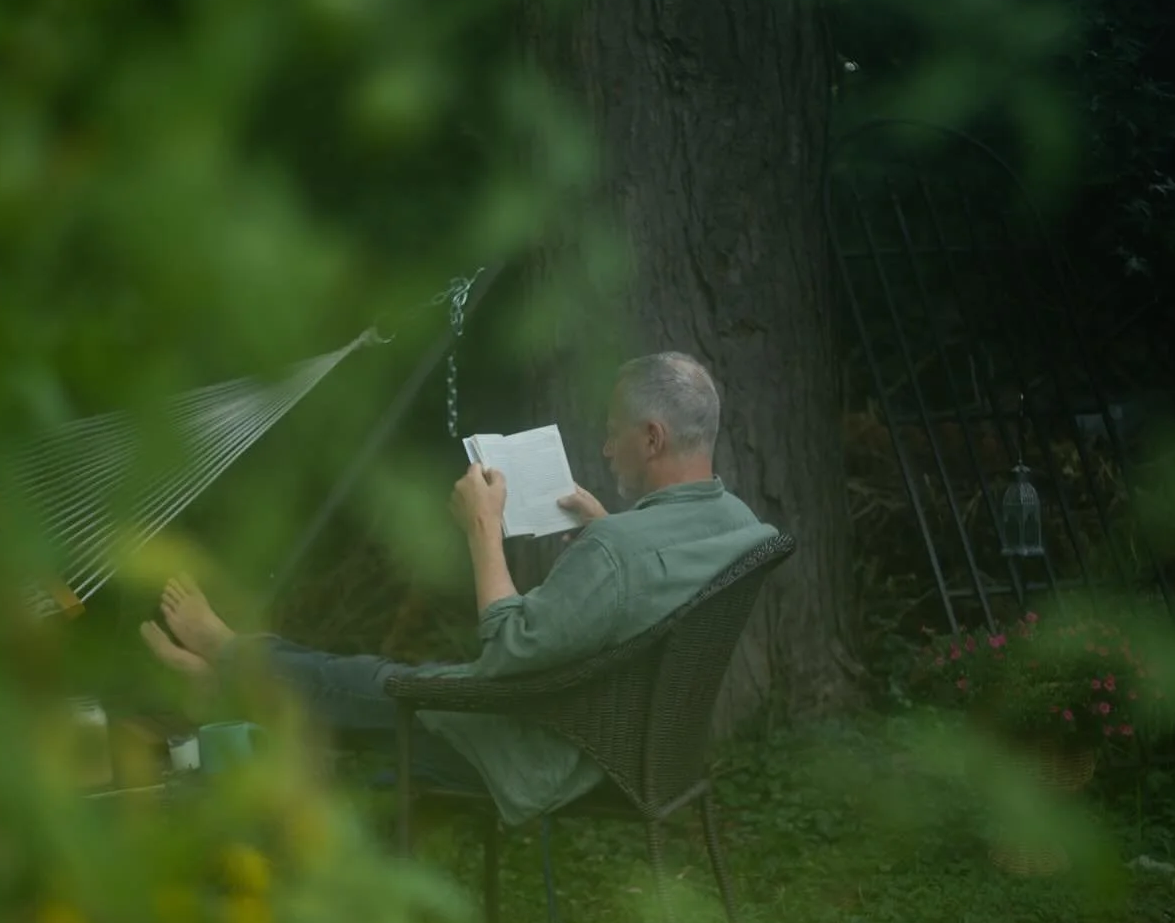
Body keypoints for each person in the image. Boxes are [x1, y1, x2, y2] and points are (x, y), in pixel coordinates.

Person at [142, 351, 777, 826]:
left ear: (653, 438)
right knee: (367, 683)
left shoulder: (618, 554)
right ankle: (234, 676)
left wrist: (483, 528)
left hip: (545, 751)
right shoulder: (739, 525)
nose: (607, 448)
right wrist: (609, 530)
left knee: (368, 686)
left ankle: (228, 666)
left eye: (614, 432)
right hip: (632, 747)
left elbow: (507, 652)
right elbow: (662, 577)